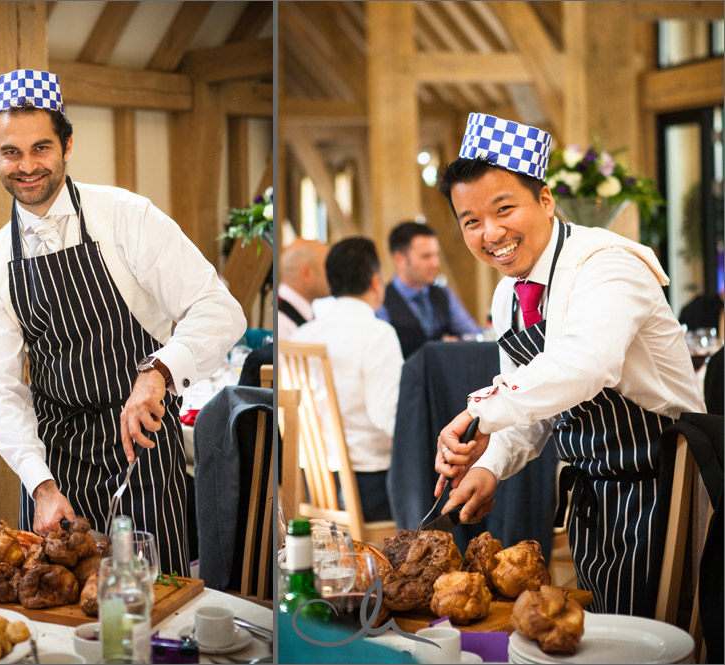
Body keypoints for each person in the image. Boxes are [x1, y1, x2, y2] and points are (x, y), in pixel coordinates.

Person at [0, 69, 245, 574]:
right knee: (61, 607)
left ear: (67, 145)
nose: (27, 166)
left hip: (143, 447)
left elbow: (220, 310)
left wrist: (159, 372)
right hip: (55, 462)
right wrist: (41, 487)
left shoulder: (126, 217)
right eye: (11, 152)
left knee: (156, 601)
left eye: (41, 148)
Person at [434, 113, 705, 617]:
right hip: (595, 490)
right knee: (595, 625)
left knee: (648, 637)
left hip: (661, 481)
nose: (491, 233)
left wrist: (476, 414)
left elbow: (584, 366)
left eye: (504, 208)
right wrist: (490, 466)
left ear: (545, 200)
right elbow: (533, 405)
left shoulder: (607, 263)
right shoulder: (508, 295)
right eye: (471, 221)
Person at [292, 238, 404, 522]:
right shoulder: (378, 334)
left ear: (332, 283)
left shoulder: (303, 335)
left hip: (310, 483)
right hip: (369, 488)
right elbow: (388, 417)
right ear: (376, 282)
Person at [376, 221, 481, 358]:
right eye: (426, 256)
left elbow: (473, 334)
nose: (435, 263)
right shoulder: (382, 302)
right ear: (400, 259)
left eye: (436, 255)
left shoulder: (443, 294)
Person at [277, 239, 330, 340]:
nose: (334, 275)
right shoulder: (281, 322)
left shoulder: (305, 316)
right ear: (307, 274)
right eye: (328, 267)